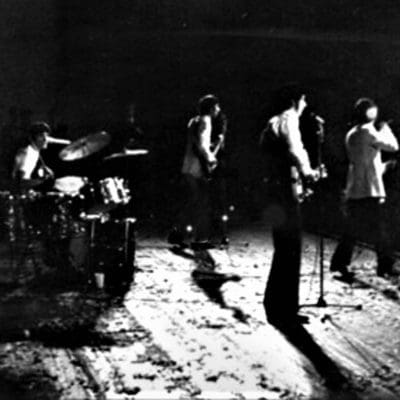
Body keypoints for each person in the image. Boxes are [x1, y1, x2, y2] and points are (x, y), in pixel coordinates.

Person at [261, 85, 318, 326]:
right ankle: (284, 309)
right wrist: (309, 173)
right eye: (304, 100)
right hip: (283, 190)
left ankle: (276, 304)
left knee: (284, 246)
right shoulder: (289, 119)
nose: (305, 105)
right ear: (296, 100)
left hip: (275, 189)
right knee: (290, 245)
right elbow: (295, 150)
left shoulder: (274, 121)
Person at [330, 98, 399, 279]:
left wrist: (383, 166)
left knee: (352, 230)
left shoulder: (351, 133)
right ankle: (385, 265)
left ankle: (339, 263)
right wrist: (385, 128)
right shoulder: (369, 131)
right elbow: (393, 146)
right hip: (370, 189)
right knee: (379, 229)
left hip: (355, 187)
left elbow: (365, 162)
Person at [168, 94, 223, 249]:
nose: (218, 110)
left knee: (191, 202)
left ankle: (177, 234)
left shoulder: (194, 120)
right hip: (197, 168)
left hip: (188, 166)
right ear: (211, 108)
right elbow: (202, 146)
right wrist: (211, 159)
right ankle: (199, 239)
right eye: (217, 106)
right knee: (201, 203)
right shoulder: (206, 121)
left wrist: (213, 146)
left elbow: (197, 143)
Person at [12, 121, 55, 191]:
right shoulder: (26, 153)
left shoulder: (35, 151)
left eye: (46, 136)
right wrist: (43, 180)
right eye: (41, 136)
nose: (45, 139)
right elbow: (19, 183)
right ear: (31, 138)